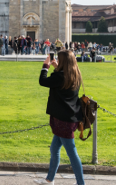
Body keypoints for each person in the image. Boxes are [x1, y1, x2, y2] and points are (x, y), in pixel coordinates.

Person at [36, 49, 85, 185]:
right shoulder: (76, 74)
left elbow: (43, 81)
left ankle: (81, 183)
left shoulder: (60, 77)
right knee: (54, 149)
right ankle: (49, 179)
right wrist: (57, 67)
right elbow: (64, 79)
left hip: (63, 120)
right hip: (70, 117)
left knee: (72, 153)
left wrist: (45, 66)